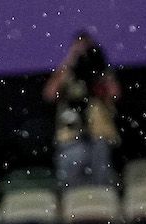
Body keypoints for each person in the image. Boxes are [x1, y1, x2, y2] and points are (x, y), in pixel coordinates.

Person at [45, 33, 121, 189]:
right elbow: (50, 94)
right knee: (70, 186)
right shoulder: (66, 72)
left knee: (101, 185)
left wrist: (100, 68)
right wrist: (70, 61)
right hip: (71, 135)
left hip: (98, 134)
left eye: (87, 50)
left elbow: (115, 94)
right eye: (80, 50)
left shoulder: (100, 72)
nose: (83, 54)